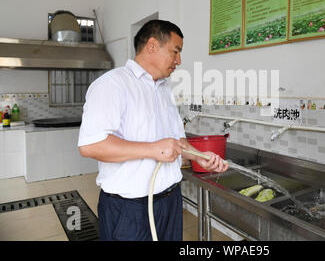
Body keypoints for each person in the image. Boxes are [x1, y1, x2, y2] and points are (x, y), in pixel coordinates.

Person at [78, 19, 228, 241]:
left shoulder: (164, 89)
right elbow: (91, 145)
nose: (179, 60)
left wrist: (198, 156)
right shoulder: (112, 85)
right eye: (175, 51)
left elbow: (177, 140)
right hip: (130, 209)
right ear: (152, 46)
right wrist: (151, 149)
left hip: (170, 201)